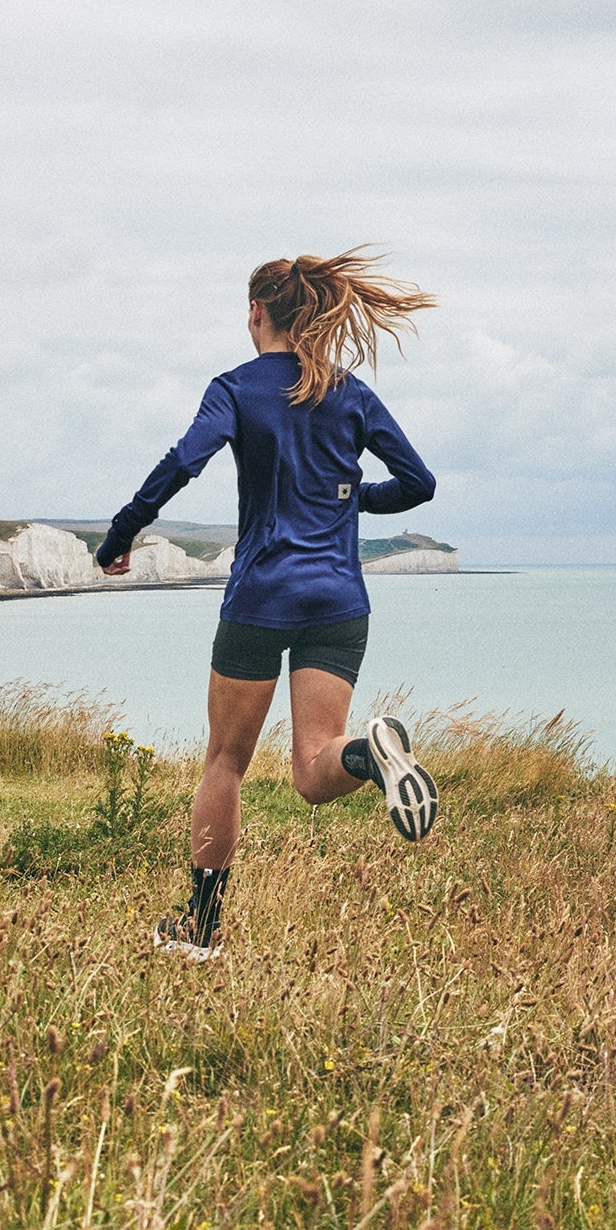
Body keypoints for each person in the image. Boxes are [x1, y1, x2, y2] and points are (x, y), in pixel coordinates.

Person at [94, 248, 441, 961]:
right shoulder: (351, 393)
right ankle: (370, 757)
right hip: (339, 599)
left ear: (257, 314)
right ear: (311, 313)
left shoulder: (236, 388)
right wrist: (348, 505)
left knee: (225, 762)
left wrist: (122, 533)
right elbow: (418, 483)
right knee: (316, 771)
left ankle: (201, 930)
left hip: (260, 595)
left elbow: (183, 463)